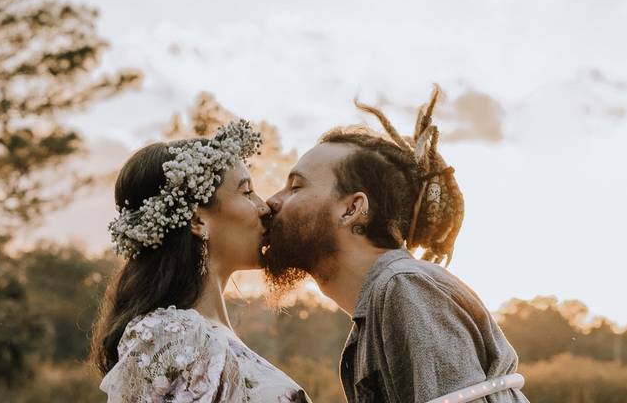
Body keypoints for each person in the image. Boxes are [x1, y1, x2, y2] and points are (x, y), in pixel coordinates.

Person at [263, 88, 530, 403]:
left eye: (296, 186)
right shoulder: (378, 309)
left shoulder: (405, 287)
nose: (272, 201)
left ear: (351, 209)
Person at [90, 120, 310, 402]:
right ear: (197, 219)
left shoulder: (207, 335)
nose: (264, 206)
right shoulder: (172, 337)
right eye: (246, 192)